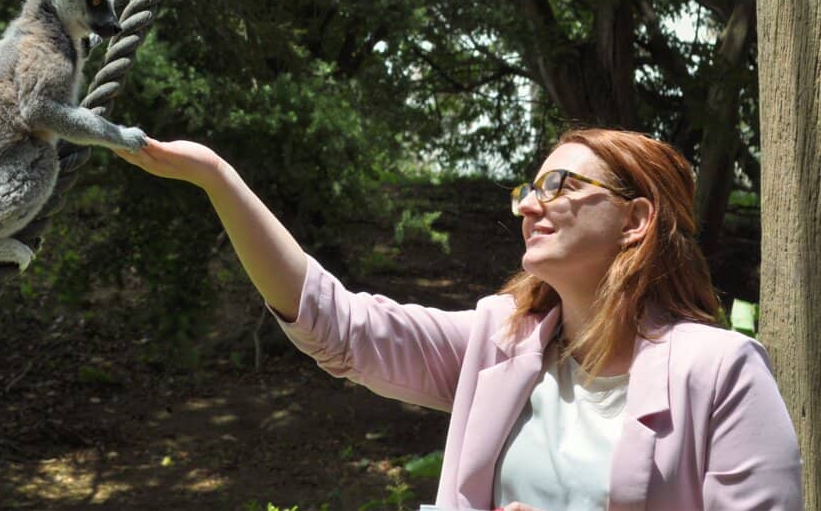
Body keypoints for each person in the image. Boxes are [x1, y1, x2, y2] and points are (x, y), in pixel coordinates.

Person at [114, 127, 803, 511]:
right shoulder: (497, 341)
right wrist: (215, 178)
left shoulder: (720, 372)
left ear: (636, 220)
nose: (531, 204)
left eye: (561, 184)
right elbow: (338, 326)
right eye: (528, 189)